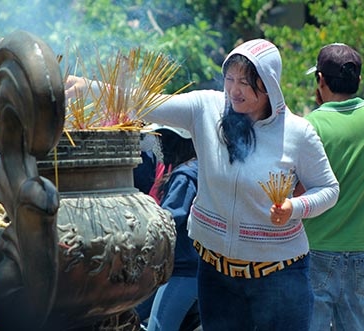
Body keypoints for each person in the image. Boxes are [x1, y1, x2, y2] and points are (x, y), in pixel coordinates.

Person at [66, 38, 340, 331]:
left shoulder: (298, 133)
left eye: (245, 83)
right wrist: (90, 86)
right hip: (215, 273)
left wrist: (294, 207)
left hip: (278, 277)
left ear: (269, 83)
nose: (234, 90)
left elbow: (328, 190)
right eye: (230, 79)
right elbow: (147, 100)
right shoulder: (206, 108)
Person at [302, 43, 364, 331]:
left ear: (320, 80)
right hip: (360, 253)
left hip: (315, 249)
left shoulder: (310, 125)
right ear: (359, 80)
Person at [135, 124, 199, 331]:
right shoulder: (199, 168)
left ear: (176, 141)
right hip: (194, 269)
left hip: (184, 272)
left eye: (163, 140)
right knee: (130, 315)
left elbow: (169, 218)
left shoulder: (184, 175)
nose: (159, 146)